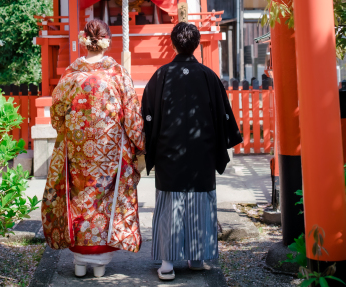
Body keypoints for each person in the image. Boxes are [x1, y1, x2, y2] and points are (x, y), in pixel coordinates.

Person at [41, 19, 145, 278]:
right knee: (104, 201)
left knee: (79, 199)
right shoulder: (116, 73)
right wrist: (140, 144)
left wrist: (71, 132)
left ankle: (78, 261)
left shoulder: (71, 73)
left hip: (77, 151)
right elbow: (131, 114)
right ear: (107, 41)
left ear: (84, 40)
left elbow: (56, 114)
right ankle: (100, 264)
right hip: (109, 150)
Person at [141, 22, 243, 281]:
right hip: (203, 152)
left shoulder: (161, 75)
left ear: (173, 44)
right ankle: (197, 258)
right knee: (200, 202)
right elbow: (223, 116)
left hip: (168, 152)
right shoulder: (209, 76)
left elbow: (148, 115)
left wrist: (149, 146)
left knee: (169, 204)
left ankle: (167, 263)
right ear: (196, 45)